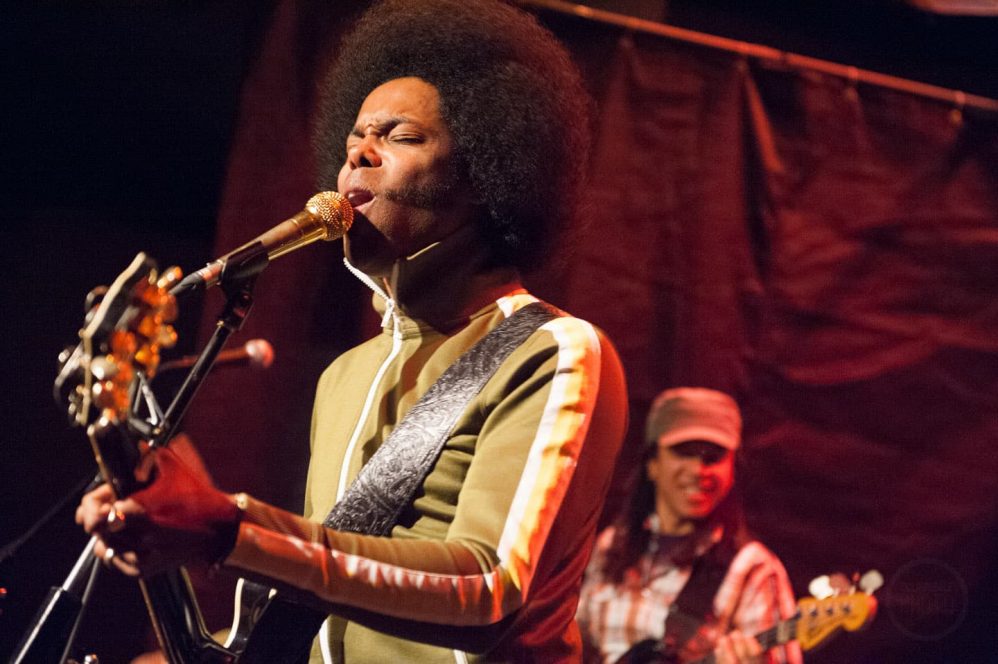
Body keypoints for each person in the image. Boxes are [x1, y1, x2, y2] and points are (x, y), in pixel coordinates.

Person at [76, 0, 629, 662]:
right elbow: (334, 598)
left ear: (485, 170)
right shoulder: (344, 376)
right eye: (351, 142)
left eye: (399, 137)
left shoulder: (551, 350)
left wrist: (229, 526)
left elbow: (489, 587)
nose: (358, 154)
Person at [576, 388, 802, 664]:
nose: (698, 470)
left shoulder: (754, 569)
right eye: (684, 452)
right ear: (653, 463)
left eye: (712, 457)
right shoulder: (611, 545)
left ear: (732, 469)